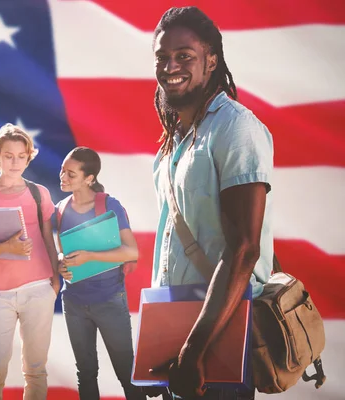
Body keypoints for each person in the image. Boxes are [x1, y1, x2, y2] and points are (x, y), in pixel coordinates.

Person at [150, 6, 274, 400]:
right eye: (162, 57)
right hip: (175, 332)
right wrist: (160, 342)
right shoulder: (175, 140)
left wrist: (194, 350)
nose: (171, 65)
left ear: (211, 60)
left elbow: (244, 249)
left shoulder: (235, 127)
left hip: (218, 337)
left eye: (184, 55)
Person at [0, 123, 60, 400]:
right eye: (8, 156)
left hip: (39, 288)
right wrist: (5, 247)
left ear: (29, 157)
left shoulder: (39, 194)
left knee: (36, 370)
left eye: (21, 156)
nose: (15, 162)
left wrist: (54, 280)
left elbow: (47, 237)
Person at [55, 147, 144, 400]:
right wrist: (61, 263)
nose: (63, 176)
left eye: (70, 173)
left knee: (127, 371)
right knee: (85, 373)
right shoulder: (59, 209)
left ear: (89, 179)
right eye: (63, 170)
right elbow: (61, 252)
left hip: (109, 299)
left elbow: (131, 251)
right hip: (73, 301)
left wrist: (91, 256)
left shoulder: (109, 204)